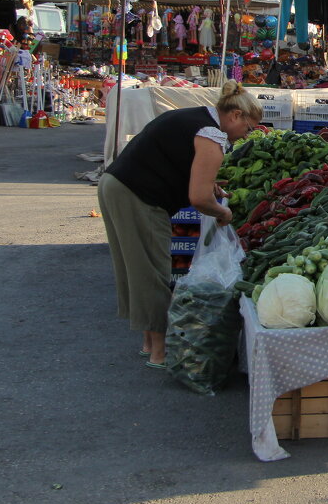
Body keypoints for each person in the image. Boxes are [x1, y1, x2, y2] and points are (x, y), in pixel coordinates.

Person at [97, 81, 262, 369]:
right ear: (235, 115)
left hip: (116, 185)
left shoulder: (195, 117)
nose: (246, 135)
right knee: (154, 271)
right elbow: (198, 197)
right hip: (139, 195)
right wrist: (222, 214)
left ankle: (149, 343)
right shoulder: (213, 135)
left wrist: (212, 189)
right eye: (248, 128)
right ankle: (160, 353)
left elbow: (182, 167)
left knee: (137, 268)